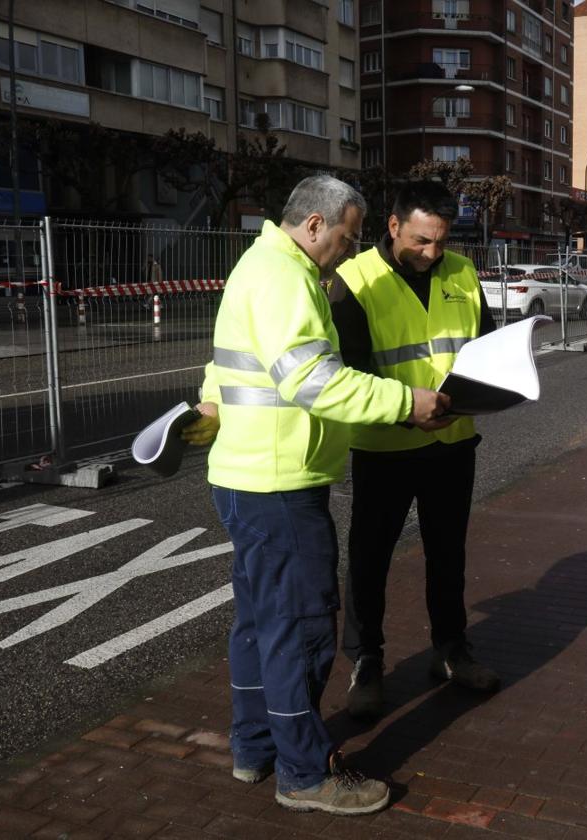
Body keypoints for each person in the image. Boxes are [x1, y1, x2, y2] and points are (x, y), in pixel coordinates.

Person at [183, 174, 450, 815]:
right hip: (281, 484)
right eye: (346, 237)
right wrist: (405, 402)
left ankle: (254, 747)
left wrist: (213, 403)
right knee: (301, 630)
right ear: (313, 226)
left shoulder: (255, 265)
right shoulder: (286, 278)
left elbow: (226, 364)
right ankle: (304, 771)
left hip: (244, 474)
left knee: (256, 625)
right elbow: (313, 380)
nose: (348, 252)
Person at [330, 180, 501, 721]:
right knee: (369, 559)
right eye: (421, 240)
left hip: (452, 442)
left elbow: (483, 347)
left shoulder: (462, 272)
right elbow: (347, 371)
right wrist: (409, 409)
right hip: (385, 446)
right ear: (394, 225)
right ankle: (366, 662)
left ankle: (451, 650)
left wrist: (497, 385)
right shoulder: (353, 280)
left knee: (448, 554)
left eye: (441, 242)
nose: (431, 253)